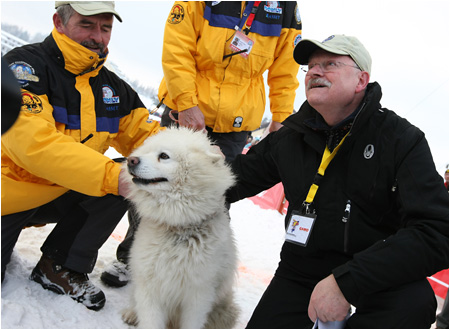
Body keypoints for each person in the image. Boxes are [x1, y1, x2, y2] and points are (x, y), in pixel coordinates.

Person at [226, 34, 449, 328]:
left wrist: (347, 282)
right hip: (301, 270)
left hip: (379, 277)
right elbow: (231, 180)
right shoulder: (292, 136)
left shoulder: (400, 140)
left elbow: (437, 232)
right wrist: (184, 165)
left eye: (329, 63)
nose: (315, 71)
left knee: (416, 301)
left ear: (361, 80)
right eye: (311, 66)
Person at [101, 0, 303, 287]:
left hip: (235, 124)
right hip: (185, 111)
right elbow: (177, 47)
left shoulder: (285, 8)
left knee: (214, 201)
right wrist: (186, 102)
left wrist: (282, 116)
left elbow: (286, 70)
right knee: (155, 188)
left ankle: (192, 271)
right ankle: (131, 259)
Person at [1, 1, 161, 311]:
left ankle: (60, 265)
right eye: (86, 25)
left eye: (105, 28)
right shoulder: (23, 67)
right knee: (116, 176)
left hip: (61, 190)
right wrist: (110, 177)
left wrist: (192, 158)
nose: (97, 37)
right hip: (10, 194)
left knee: (133, 173)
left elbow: (149, 140)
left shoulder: (115, 90)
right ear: (59, 22)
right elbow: (32, 143)